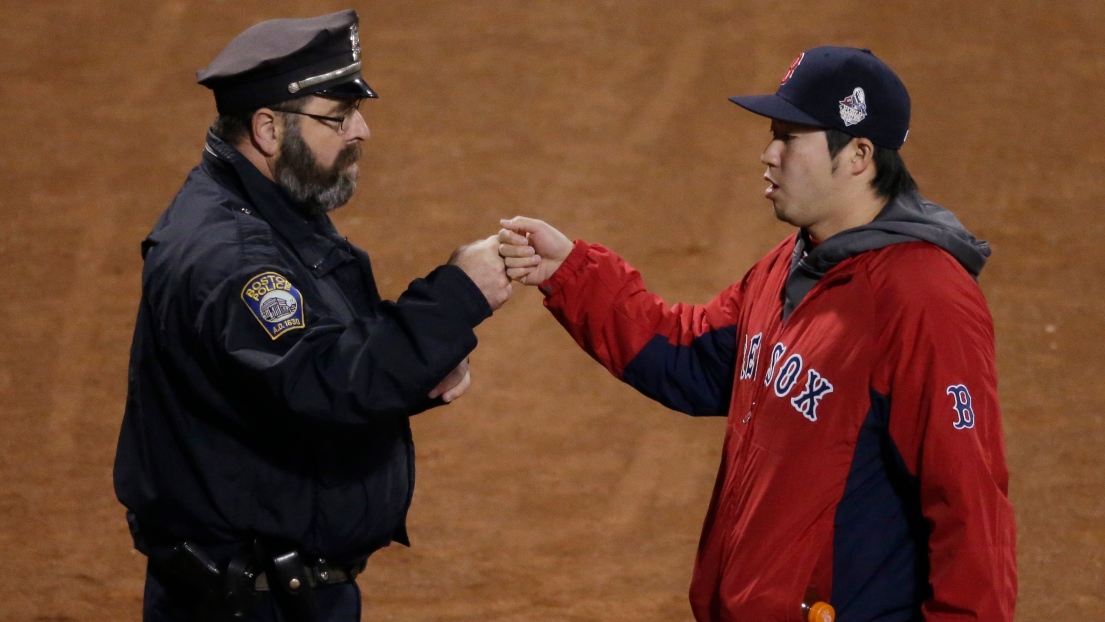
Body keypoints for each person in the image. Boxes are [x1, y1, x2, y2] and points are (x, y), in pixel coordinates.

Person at [498, 46, 1016, 620]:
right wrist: (572, 272)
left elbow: (969, 505)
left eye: (791, 137)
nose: (768, 155)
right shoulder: (795, 262)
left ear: (859, 156)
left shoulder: (924, 300)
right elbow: (696, 358)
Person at [113, 10, 512, 621]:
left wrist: (414, 373)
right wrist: (459, 294)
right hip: (247, 603)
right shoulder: (234, 259)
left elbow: (312, 361)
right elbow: (328, 380)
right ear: (269, 128)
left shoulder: (272, 208)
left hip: (281, 589)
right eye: (337, 116)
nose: (362, 131)